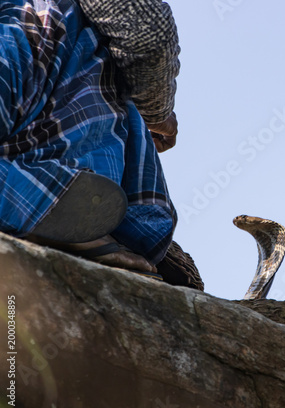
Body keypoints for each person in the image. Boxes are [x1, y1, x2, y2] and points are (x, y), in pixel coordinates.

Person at [0, 0, 181, 279]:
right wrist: (157, 111)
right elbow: (147, 30)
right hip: (31, 45)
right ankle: (39, 201)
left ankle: (55, 203)